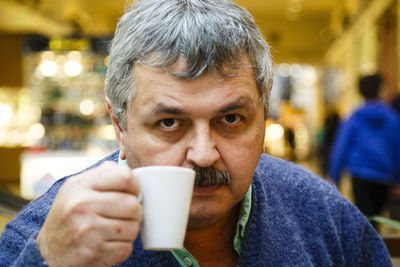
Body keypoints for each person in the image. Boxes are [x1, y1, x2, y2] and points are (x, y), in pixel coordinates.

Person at [0, 1, 392, 266]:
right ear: (119, 125)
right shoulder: (43, 238)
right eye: (170, 123)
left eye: (232, 119)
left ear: (262, 116)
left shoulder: (325, 218)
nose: (204, 155)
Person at [328, 74, 400, 229]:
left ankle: (368, 250)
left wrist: (334, 176)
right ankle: (377, 248)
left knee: (365, 218)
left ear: (360, 91)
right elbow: (397, 149)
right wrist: (398, 179)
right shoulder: (391, 117)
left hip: (360, 174)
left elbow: (340, 147)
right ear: (380, 89)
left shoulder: (354, 117)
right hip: (384, 175)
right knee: (379, 218)